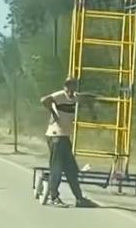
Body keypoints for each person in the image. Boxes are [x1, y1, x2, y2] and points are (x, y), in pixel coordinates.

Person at [40, 78, 97, 208]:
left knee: (71, 170)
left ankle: (79, 199)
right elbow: (44, 100)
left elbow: (85, 98)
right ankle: (54, 197)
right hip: (55, 135)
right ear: (65, 86)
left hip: (64, 136)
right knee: (57, 168)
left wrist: (95, 101)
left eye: (73, 85)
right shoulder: (60, 95)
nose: (70, 88)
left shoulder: (75, 97)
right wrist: (53, 112)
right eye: (68, 85)